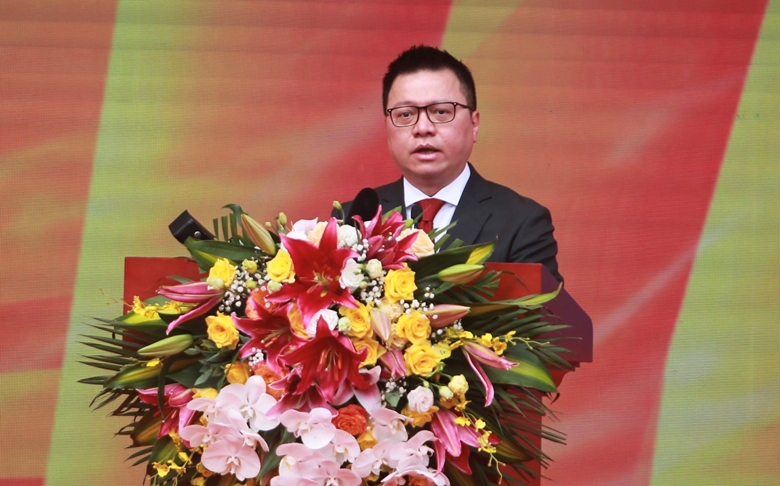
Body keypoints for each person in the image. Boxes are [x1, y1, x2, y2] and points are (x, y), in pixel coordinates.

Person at [341, 45, 562, 282]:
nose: (423, 128)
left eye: (441, 112)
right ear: (387, 125)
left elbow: (539, 306)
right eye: (405, 114)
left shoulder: (521, 223)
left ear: (474, 124)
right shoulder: (353, 220)